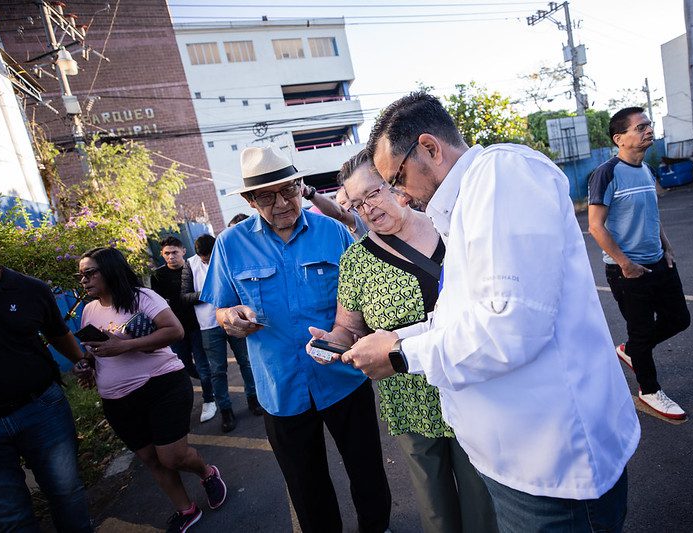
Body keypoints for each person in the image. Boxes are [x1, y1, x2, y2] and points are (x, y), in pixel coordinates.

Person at [340, 92, 640, 533]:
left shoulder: (501, 176)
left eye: (394, 178)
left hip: (554, 470)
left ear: (429, 147)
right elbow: (468, 316)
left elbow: (510, 327)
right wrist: (399, 340)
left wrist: (402, 354)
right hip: (521, 461)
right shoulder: (468, 201)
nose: (399, 196)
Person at [200, 146, 392, 533]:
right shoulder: (229, 244)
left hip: (343, 378)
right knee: (306, 485)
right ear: (251, 200)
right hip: (280, 387)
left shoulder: (334, 232)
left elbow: (366, 295)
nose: (283, 202)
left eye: (289, 190)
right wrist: (230, 318)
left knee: (366, 470)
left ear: (301, 187)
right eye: (268, 196)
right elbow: (220, 308)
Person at [308, 151, 496, 533]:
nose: (367, 208)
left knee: (483, 504)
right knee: (436, 509)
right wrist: (335, 340)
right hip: (411, 402)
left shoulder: (453, 230)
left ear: (396, 185)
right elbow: (348, 326)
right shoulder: (357, 260)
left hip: (472, 388)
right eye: (356, 203)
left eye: (373, 193)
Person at [78, 246, 227, 532]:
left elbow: (175, 331)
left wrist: (126, 345)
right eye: (81, 275)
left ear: (109, 270)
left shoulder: (141, 298)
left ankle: (207, 473)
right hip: (117, 400)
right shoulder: (89, 310)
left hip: (161, 386)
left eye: (89, 273)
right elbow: (95, 350)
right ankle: (187, 509)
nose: (83, 280)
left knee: (172, 456)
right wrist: (85, 365)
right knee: (150, 459)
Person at [587, 107, 692, 420]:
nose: (648, 130)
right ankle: (649, 391)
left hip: (659, 262)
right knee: (642, 329)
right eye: (641, 127)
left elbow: (652, 216)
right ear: (620, 138)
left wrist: (667, 248)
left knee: (679, 319)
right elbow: (595, 225)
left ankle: (633, 350)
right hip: (628, 272)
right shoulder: (607, 173)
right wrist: (625, 263)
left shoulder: (646, 171)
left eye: (649, 125)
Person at [0, 227, 93, 532]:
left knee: (67, 494)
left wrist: (83, 362)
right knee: (9, 517)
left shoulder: (30, 289)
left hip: (42, 410)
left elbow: (58, 333)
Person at [181, 234, 264, 434]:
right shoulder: (189, 265)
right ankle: (226, 410)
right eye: (203, 258)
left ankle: (253, 399)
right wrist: (212, 291)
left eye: (209, 257)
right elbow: (184, 296)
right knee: (217, 370)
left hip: (236, 318)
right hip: (208, 325)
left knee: (246, 361)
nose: (206, 261)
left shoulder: (226, 257)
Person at [151, 236, 216, 424]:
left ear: (183, 251)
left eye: (174, 252)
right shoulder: (158, 276)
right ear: (162, 255)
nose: (171, 257)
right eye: (166, 253)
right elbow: (160, 303)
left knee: (203, 366)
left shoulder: (192, 267)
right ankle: (209, 382)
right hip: (175, 329)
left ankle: (209, 399)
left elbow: (200, 292)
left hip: (196, 325)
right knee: (186, 366)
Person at [300, 181, 369, 240]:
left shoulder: (360, 220)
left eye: (343, 203)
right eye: (338, 204)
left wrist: (309, 193)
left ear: (354, 203)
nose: (340, 207)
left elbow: (340, 213)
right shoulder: (341, 230)